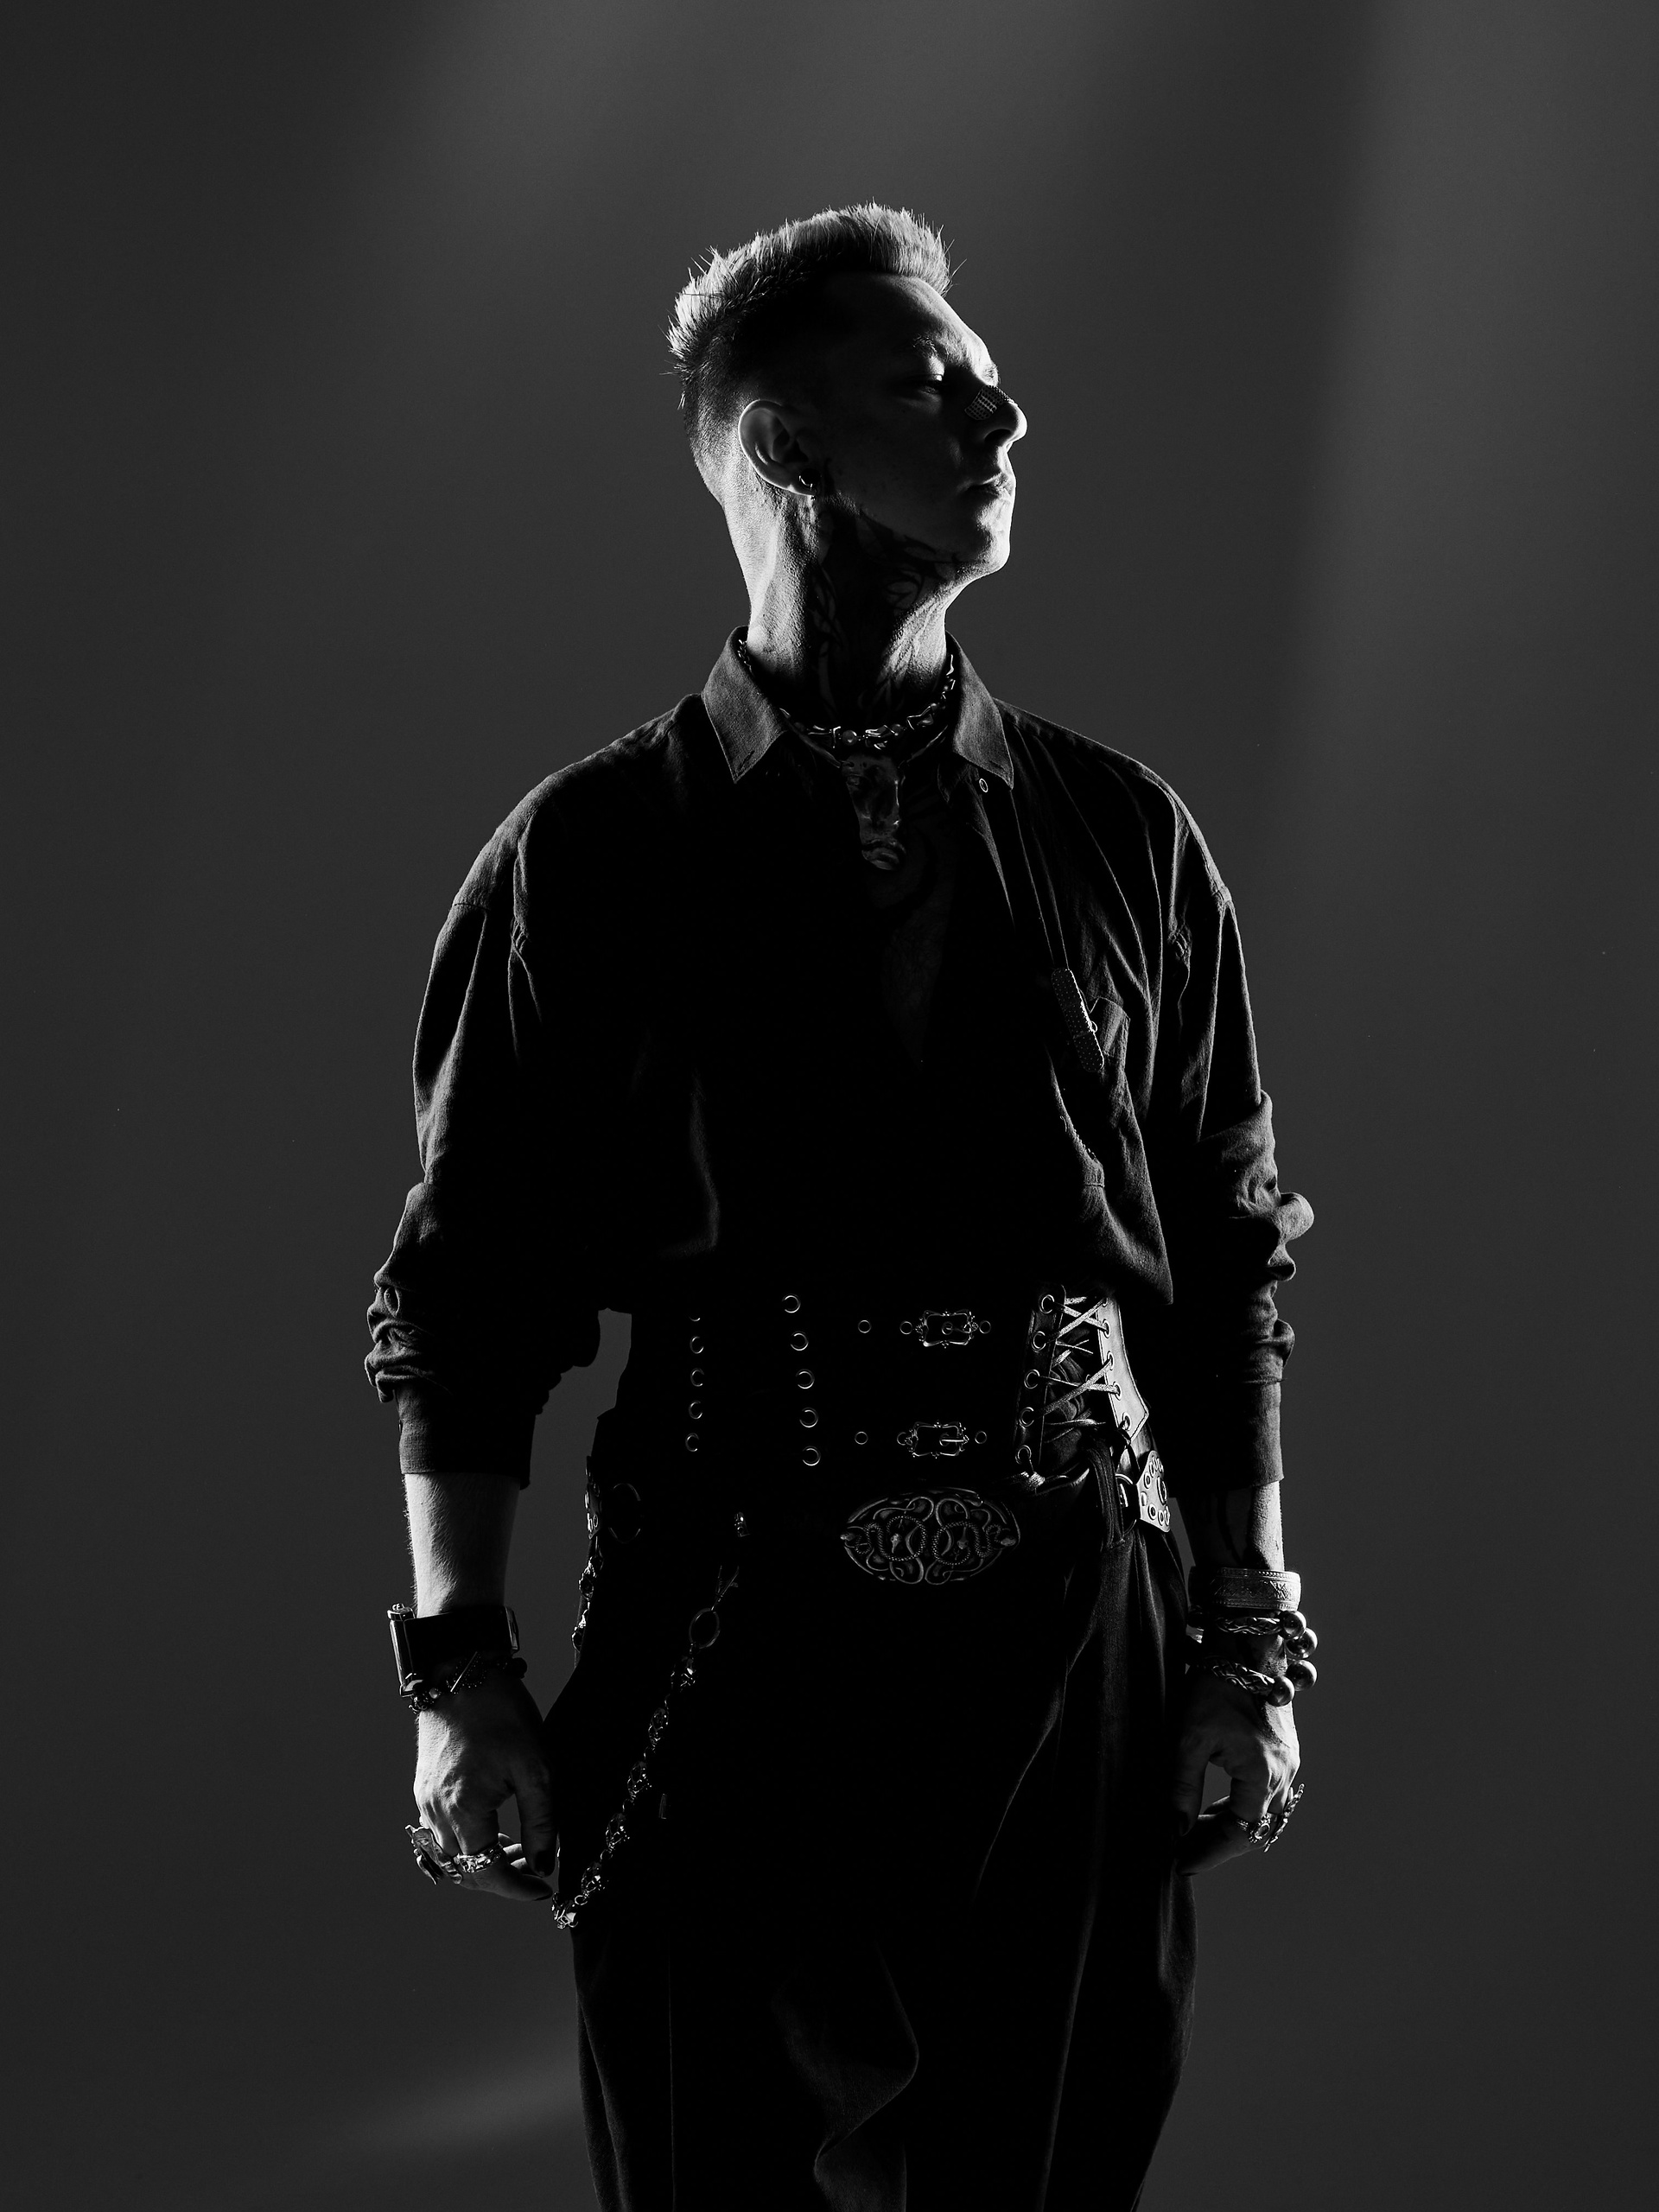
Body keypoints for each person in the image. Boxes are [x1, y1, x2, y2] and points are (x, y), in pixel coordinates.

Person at [366, 203, 1315, 2211]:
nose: (1002, 415)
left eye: (990, 380)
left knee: (1039, 2174)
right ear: (790, 445)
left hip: (1078, 1610)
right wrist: (464, 1675)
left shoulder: (1122, 834)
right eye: (930, 380)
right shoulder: (588, 854)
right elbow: (468, 1293)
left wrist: (1245, 1637)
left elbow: (1224, 1265)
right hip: (728, 1612)